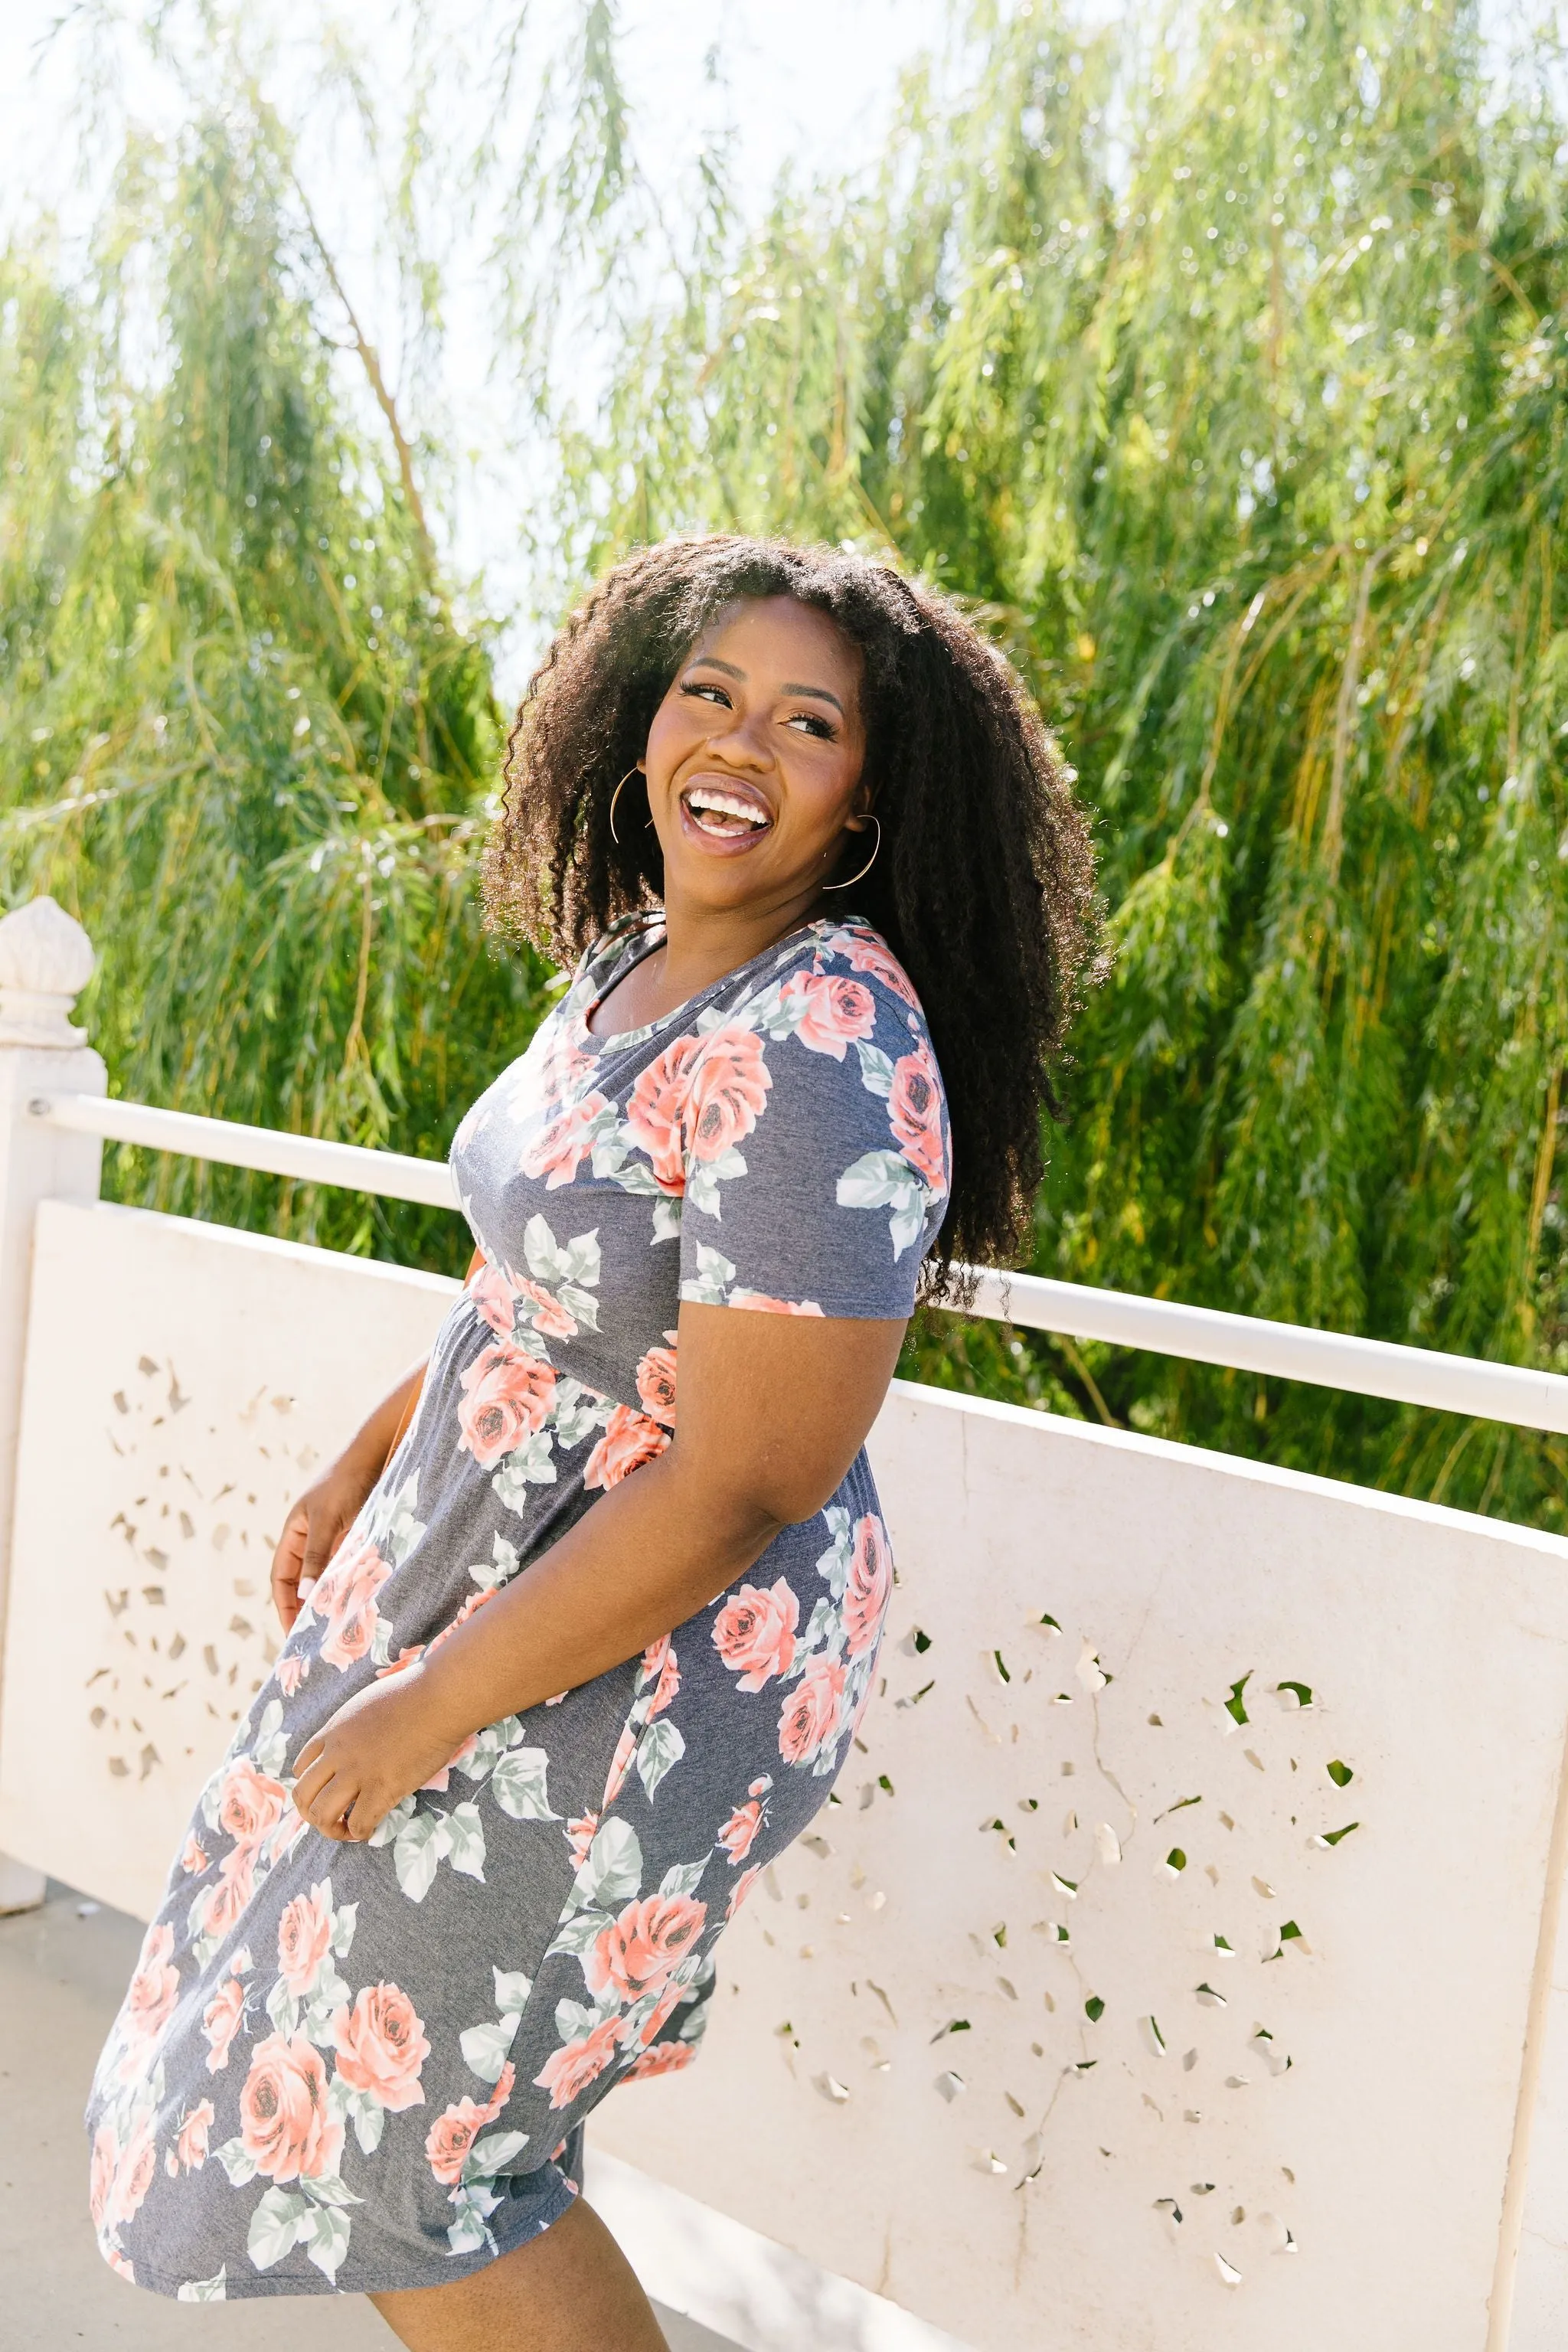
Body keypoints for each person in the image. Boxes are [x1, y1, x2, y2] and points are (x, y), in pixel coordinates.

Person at [86, 534, 1096, 2347]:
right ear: (637, 718)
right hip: (484, 1596)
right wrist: (357, 1464)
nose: (738, 740)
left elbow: (748, 1479)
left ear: (872, 793)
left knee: (426, 2156)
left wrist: (429, 1702)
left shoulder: (826, 1040)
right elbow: (534, 1288)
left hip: (629, 1666)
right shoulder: (634, 959)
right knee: (359, 2115)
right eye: (708, 690)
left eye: (809, 722)